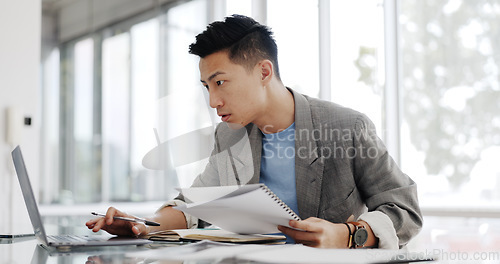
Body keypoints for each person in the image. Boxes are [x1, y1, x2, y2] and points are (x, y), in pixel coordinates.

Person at [86, 14, 422, 249]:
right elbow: (194, 205)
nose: (213, 101)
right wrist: (143, 224)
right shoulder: (229, 136)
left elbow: (405, 210)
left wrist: (349, 235)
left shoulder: (347, 127)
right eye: (206, 87)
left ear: (263, 71)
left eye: (220, 82)